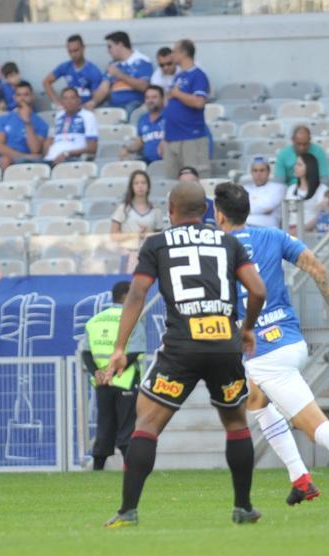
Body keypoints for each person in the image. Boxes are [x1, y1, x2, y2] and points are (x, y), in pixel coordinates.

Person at [102, 181, 266, 529]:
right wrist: (247, 328)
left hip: (181, 347)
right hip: (225, 344)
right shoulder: (228, 242)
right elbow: (257, 289)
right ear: (206, 211)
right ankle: (243, 507)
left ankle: (128, 511)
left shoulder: (157, 244)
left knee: (146, 425)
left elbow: (136, 295)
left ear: (171, 210)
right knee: (236, 424)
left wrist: (119, 348)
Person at [215, 181, 329, 504]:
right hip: (291, 341)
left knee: (316, 428)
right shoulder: (274, 237)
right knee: (257, 404)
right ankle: (300, 478)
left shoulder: (217, 250)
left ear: (219, 215)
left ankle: (301, 476)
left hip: (265, 352)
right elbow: (318, 268)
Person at [80, 281, 143, 470]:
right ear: (125, 296)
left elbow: (86, 352)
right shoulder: (132, 319)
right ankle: (130, 470)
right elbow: (135, 352)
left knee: (105, 426)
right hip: (124, 381)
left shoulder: (95, 321)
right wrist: (113, 371)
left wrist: (98, 373)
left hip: (102, 382)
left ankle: (98, 469)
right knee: (127, 428)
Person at [160, 39, 211, 179]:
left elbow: (199, 102)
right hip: (172, 137)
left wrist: (177, 94)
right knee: (172, 183)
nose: (172, 55)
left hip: (191, 137)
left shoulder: (198, 75)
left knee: (196, 181)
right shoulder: (179, 76)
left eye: (174, 51)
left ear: (184, 53)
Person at [0, 81, 47, 170]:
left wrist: (27, 122)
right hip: (3, 159)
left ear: (32, 97)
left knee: (6, 160)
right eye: (19, 95)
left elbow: (35, 150)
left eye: (26, 95)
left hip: (27, 164)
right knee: (5, 160)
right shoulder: (4, 119)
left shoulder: (41, 123)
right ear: (14, 97)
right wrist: (22, 156)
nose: (22, 98)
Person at [44, 34, 108, 110]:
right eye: (70, 51)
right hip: (70, 110)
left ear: (83, 48)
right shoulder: (65, 66)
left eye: (76, 50)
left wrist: (86, 106)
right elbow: (46, 82)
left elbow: (96, 99)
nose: (73, 54)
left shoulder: (93, 71)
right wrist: (57, 103)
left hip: (86, 110)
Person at [44, 87, 98, 165]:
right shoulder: (58, 116)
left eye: (72, 98)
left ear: (78, 100)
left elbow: (93, 148)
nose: (69, 102)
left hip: (71, 159)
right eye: (65, 98)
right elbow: (50, 140)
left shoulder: (88, 116)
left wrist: (67, 154)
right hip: (50, 159)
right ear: (62, 102)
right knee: (24, 162)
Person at [103, 31, 153, 116]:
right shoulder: (113, 64)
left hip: (134, 105)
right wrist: (92, 103)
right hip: (113, 105)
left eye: (110, 47)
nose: (108, 51)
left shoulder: (142, 61)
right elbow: (103, 89)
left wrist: (120, 75)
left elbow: (144, 86)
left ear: (120, 45)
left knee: (130, 110)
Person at [111, 170, 163, 239]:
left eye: (143, 183)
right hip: (127, 248)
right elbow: (113, 234)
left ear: (148, 186)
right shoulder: (123, 208)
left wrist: (150, 232)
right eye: (136, 183)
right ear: (132, 187)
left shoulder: (156, 210)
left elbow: (160, 237)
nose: (140, 186)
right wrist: (133, 236)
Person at [120, 85, 165, 164]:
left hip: (166, 162)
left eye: (154, 97)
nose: (150, 100)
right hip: (146, 162)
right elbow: (141, 141)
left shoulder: (171, 117)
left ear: (162, 99)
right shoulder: (143, 119)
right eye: (147, 98)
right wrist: (127, 149)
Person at [284, 154, 326, 234]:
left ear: (310, 167)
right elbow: (287, 214)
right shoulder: (291, 189)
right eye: (295, 164)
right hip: (291, 232)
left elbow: (321, 215)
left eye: (299, 164)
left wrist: (302, 229)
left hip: (311, 232)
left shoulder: (322, 189)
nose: (295, 167)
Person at [244, 158, 286, 228]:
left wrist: (245, 211)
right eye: (255, 171)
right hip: (245, 227)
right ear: (251, 173)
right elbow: (237, 207)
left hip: (268, 229)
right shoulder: (245, 188)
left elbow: (267, 206)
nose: (258, 174)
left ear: (269, 172)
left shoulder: (279, 188)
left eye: (262, 170)